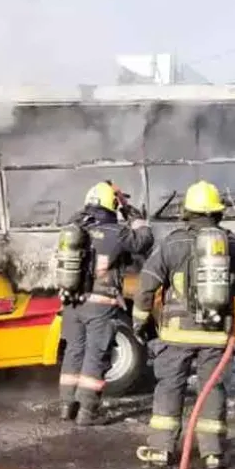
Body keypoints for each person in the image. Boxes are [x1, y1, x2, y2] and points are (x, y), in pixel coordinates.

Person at [130, 180, 235, 469]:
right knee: (213, 388)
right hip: (216, 334)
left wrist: (141, 321)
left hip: (176, 333)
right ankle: (213, 453)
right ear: (218, 212)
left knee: (169, 385)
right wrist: (230, 286)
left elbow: (146, 285)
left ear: (187, 212)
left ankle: (161, 449)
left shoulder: (171, 243)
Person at [57, 180, 154, 426]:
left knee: (73, 352)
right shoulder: (116, 231)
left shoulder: (74, 227)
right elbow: (144, 241)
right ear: (111, 204)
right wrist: (133, 215)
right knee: (96, 354)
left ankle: (66, 407)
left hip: (72, 302)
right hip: (100, 303)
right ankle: (88, 412)